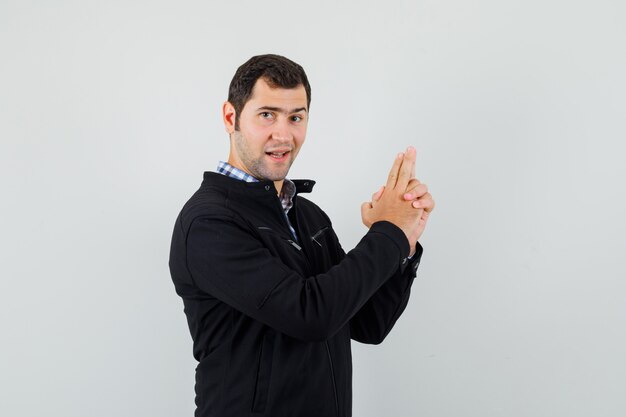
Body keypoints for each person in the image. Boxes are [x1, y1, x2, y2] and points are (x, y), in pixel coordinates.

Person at [169, 54, 434, 417]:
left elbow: (368, 322)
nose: (283, 134)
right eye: (267, 115)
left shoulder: (307, 215)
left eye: (296, 117)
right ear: (231, 117)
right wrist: (387, 232)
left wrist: (403, 237)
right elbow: (311, 316)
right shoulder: (209, 224)